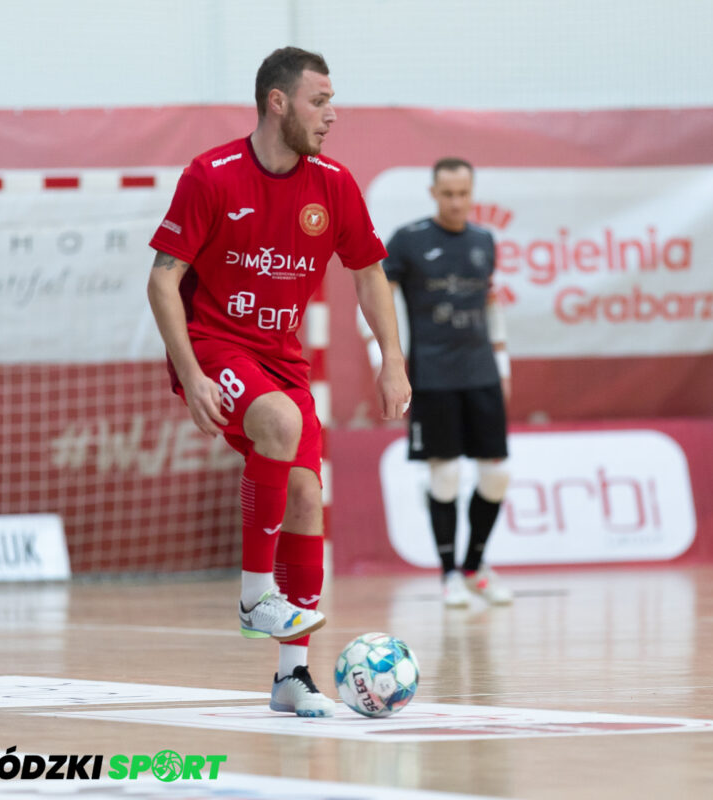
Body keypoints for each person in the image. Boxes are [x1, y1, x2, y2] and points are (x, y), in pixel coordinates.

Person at [147, 47, 410, 717]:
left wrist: (393, 359)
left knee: (303, 493)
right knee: (283, 424)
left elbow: (369, 271)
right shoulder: (212, 176)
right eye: (320, 100)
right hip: (216, 346)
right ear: (278, 102)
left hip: (280, 360)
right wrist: (191, 371)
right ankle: (253, 593)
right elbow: (162, 278)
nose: (332, 113)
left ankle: (292, 678)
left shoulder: (334, 183)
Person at [375, 157, 513, 608]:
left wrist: (503, 363)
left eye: (463, 193)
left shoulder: (483, 241)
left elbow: (491, 305)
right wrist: (384, 357)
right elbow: (377, 294)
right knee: (446, 474)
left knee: (497, 474)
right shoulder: (409, 241)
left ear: (472, 193)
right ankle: (449, 573)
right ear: (434, 193)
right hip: (433, 375)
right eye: (448, 193)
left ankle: (476, 566)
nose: (456, 201)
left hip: (481, 373)